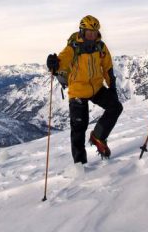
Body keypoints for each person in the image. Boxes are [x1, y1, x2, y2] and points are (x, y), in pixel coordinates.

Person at [46, 15, 123, 164]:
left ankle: (98, 136)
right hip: (78, 91)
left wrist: (111, 87)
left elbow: (107, 67)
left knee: (115, 107)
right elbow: (62, 60)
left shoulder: (100, 46)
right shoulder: (73, 47)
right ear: (82, 31)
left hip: (96, 87)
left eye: (94, 32)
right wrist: (54, 64)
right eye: (89, 32)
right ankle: (80, 165)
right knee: (79, 129)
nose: (92, 36)